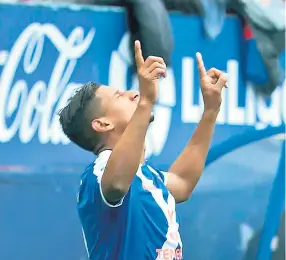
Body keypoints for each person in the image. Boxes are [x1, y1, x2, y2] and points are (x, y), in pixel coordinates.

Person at [58, 40, 227, 260]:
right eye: (119, 96)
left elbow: (183, 182)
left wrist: (210, 111)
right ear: (103, 124)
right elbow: (117, 184)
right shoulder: (99, 173)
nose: (132, 94)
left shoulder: (146, 175)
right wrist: (146, 102)